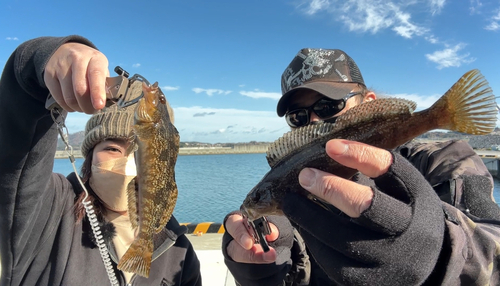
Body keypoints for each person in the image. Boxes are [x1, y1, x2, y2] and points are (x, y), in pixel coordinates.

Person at [222, 48, 500, 285]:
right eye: (299, 116)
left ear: (369, 104)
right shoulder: (294, 198)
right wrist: (260, 265)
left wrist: (444, 253)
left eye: (330, 106)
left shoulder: (444, 160)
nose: (315, 122)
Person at [0, 36, 201, 285]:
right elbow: (13, 151)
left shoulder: (179, 250)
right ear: (90, 154)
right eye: (113, 149)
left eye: (137, 151)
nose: (128, 164)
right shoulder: (46, 211)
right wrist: (39, 64)